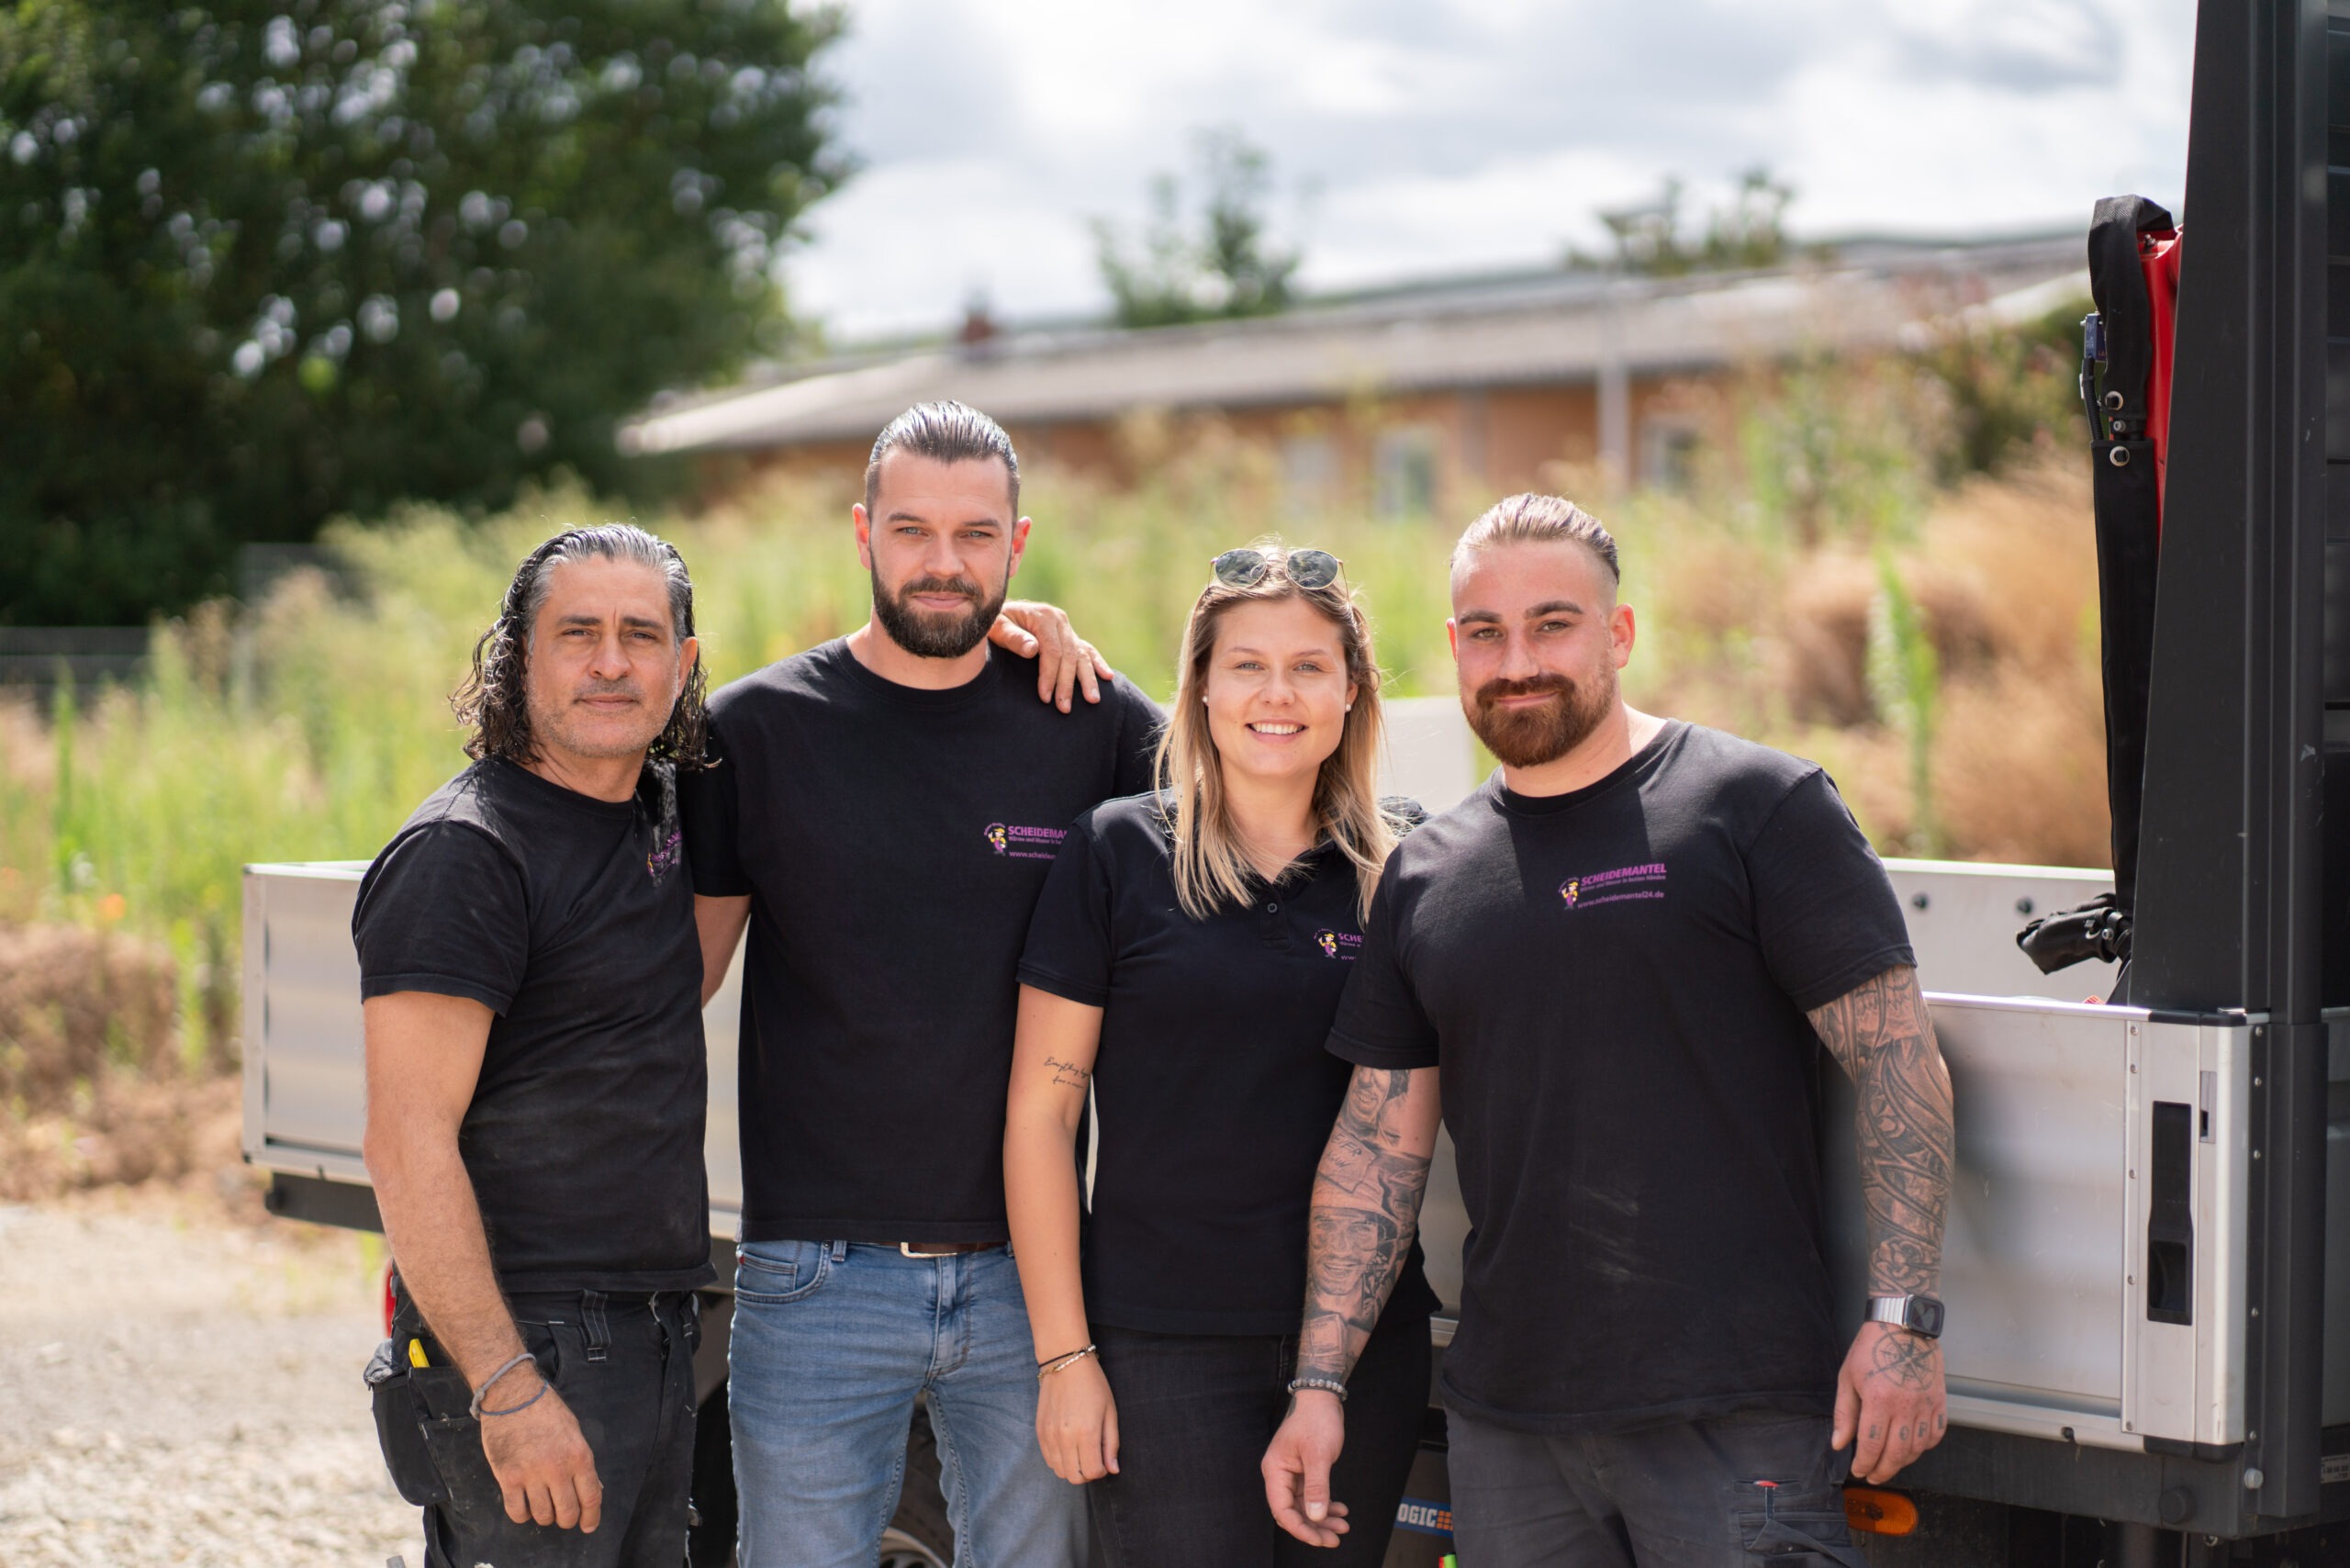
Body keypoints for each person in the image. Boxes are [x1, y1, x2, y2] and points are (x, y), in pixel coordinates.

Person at [1261, 494, 1955, 1568]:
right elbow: (1376, 1150)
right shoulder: (1428, 871)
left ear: (1618, 633)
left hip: (1731, 1418)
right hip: (1511, 1427)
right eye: (1484, 633)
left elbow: (1897, 1057)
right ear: (1452, 649)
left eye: (1552, 623)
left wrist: (1904, 1323)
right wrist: (1318, 1380)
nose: (1516, 659)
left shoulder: (1754, 806)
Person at [680, 401, 1165, 1568]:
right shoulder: (755, 733)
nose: (943, 564)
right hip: (812, 1279)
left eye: (974, 535)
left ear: (1018, 540)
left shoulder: (1090, 723)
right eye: (911, 530)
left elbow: (1255, 782)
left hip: (1030, 1283)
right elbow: (675, 982)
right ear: (862, 535)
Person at [1005, 542, 1439, 1568]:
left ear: (1350, 692)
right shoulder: (1116, 853)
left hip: (1361, 1350)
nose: (1274, 693)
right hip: (1164, 1349)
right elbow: (1041, 1118)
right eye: (1245, 664)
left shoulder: (1408, 867)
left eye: (1307, 666)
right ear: (1199, 688)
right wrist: (1065, 1357)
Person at [355, 524, 716, 1568]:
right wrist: (508, 1388)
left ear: (682, 663)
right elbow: (405, 1142)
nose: (612, 662)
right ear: (518, 653)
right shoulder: (464, 854)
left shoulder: (649, 809)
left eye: (642, 635)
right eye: (579, 633)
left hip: (652, 1338)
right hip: (534, 1345)